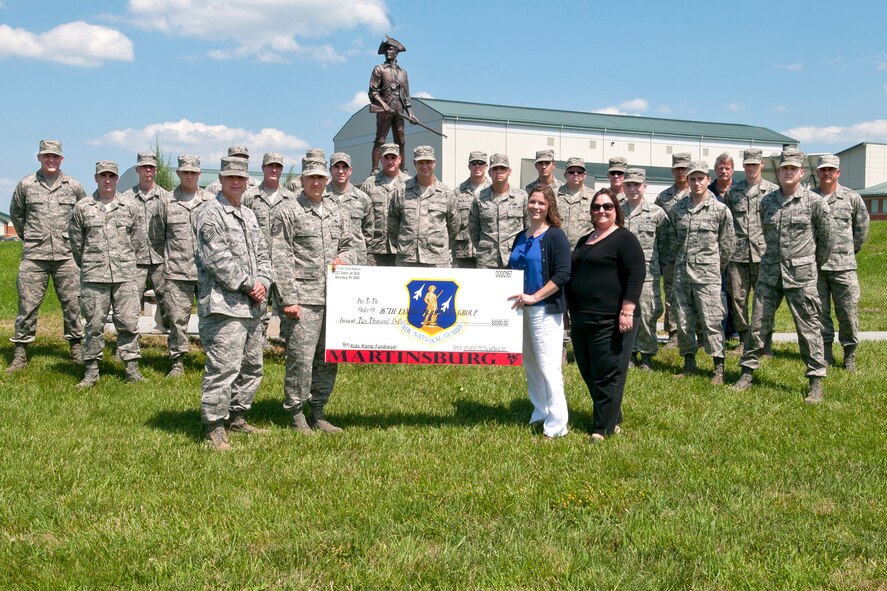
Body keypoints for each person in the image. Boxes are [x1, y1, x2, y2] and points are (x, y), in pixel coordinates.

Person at [733, 149, 833, 403]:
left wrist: (808, 264)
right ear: (778, 172)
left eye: (793, 168)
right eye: (784, 168)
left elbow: (826, 242)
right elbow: (765, 233)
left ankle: (815, 380)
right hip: (769, 273)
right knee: (758, 324)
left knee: (809, 327)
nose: (788, 172)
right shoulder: (767, 202)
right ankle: (746, 373)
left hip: (801, 275)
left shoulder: (814, 202)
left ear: (801, 172)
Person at [193, 156, 273, 451]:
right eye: (230, 178)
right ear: (221, 180)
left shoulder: (248, 215)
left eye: (240, 178)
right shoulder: (209, 214)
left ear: (247, 181)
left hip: (252, 306)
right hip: (224, 306)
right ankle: (214, 425)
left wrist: (264, 281)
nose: (236, 182)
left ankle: (237, 417)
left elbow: (263, 254)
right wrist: (250, 284)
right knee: (223, 368)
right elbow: (217, 260)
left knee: (252, 366)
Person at [273, 159, 354, 434]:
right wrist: (288, 299)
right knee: (301, 358)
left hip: (334, 298)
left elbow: (350, 245)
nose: (316, 182)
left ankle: (318, 411)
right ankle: (296, 413)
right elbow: (280, 257)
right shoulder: (288, 211)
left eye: (320, 178)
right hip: (303, 299)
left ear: (327, 180)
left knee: (328, 358)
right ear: (302, 180)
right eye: (311, 178)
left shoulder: (337, 211)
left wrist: (344, 258)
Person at [567, 188, 645, 442]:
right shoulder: (584, 240)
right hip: (582, 317)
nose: (601, 211)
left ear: (616, 210)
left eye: (607, 206)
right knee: (588, 370)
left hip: (612, 318)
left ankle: (602, 429)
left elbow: (636, 275)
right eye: (597, 207)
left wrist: (627, 310)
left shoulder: (625, 239)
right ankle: (613, 416)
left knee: (607, 372)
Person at [8, 139, 87, 372]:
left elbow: (83, 216)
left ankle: (76, 349)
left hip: (66, 255)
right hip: (35, 256)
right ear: (39, 158)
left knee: (73, 304)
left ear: (61, 159)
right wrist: (32, 238)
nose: (51, 160)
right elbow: (17, 215)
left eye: (55, 156)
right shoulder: (26, 185)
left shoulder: (73, 186)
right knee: (27, 305)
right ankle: (20, 354)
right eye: (46, 156)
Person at [68, 161, 146, 387]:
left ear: (117, 179)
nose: (108, 180)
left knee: (128, 324)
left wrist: (124, 260)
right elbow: (76, 243)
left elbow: (137, 239)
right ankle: (91, 371)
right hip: (94, 276)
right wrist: (92, 263)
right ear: (96, 178)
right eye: (103, 176)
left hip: (124, 276)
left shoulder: (129, 206)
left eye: (112, 176)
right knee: (93, 325)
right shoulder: (83, 207)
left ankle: (131, 369)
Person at [507, 184, 572, 440]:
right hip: (520, 310)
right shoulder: (520, 236)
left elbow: (563, 274)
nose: (536, 206)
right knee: (531, 365)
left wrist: (535, 297)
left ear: (549, 207)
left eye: (541, 203)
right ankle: (540, 412)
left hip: (545, 310)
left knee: (548, 367)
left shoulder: (555, 236)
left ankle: (557, 425)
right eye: (532, 201)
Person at [668, 161, 735, 384]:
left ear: (708, 180)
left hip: (708, 276)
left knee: (712, 320)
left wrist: (714, 266)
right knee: (684, 320)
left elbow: (727, 244)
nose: (696, 183)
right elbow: (673, 241)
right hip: (682, 274)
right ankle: (689, 363)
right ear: (687, 181)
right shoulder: (678, 210)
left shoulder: (720, 210)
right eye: (692, 179)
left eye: (700, 178)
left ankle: (718, 368)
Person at [155, 155, 211, 377]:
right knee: (177, 320)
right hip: (177, 272)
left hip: (206, 273)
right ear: (178, 173)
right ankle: (177, 362)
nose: (189, 176)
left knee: (210, 318)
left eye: (193, 172)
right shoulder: (166, 202)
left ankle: (213, 360)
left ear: (199, 174)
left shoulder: (210, 202)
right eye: (185, 172)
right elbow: (157, 237)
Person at [813, 154, 869, 371]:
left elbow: (861, 229)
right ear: (817, 172)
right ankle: (826, 353)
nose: (826, 173)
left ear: (838, 172)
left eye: (831, 170)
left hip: (843, 267)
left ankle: (849, 354)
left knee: (848, 312)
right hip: (817, 267)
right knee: (819, 313)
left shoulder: (852, 198)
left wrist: (848, 251)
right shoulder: (810, 198)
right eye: (823, 170)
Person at [724, 148, 778, 354]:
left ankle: (765, 342)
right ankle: (744, 340)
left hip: (764, 254)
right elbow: (727, 224)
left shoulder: (773, 191)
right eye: (748, 165)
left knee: (764, 301)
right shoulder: (733, 192)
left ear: (762, 164)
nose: (751, 168)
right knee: (738, 299)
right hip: (738, 256)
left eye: (754, 164)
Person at [242, 152, 299, 344]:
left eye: (277, 166)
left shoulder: (291, 198)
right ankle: (256, 347)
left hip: (284, 263)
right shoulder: (249, 197)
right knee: (257, 308)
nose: (274, 170)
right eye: (270, 166)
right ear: (263, 168)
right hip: (258, 264)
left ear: (281, 170)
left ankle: (288, 346)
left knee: (287, 307)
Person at [621, 168, 670, 371]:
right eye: (628, 185)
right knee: (624, 312)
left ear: (645, 186)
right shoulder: (616, 211)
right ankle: (629, 353)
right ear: (623, 187)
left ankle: (647, 355)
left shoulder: (657, 213)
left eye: (637, 185)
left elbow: (666, 244)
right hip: (621, 274)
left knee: (648, 313)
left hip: (648, 275)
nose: (633, 189)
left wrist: (659, 269)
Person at [122, 152, 171, 331]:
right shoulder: (126, 198)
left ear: (156, 170)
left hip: (161, 257)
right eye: (144, 167)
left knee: (168, 300)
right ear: (138, 170)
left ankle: (171, 337)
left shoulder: (167, 197)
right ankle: (128, 338)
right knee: (130, 301)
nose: (148, 170)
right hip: (135, 259)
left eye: (151, 167)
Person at [387, 145, 458, 267]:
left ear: (434, 163)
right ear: (414, 163)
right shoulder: (401, 191)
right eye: (420, 162)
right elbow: (392, 224)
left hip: (437, 259)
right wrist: (405, 245)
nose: (425, 166)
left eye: (428, 162)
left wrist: (441, 246)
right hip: (407, 259)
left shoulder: (446, 193)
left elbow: (454, 226)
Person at [655, 152, 692, 348]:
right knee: (671, 295)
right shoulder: (663, 197)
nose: (681, 172)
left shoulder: (698, 194)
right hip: (670, 255)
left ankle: (697, 333)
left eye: (684, 168)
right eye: (677, 169)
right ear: (672, 171)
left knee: (695, 294)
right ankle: (674, 334)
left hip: (693, 254)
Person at [468, 153, 527, 269]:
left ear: (509, 171)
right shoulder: (479, 198)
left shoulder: (521, 197)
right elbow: (473, 229)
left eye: (503, 168)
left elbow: (528, 227)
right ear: (489, 172)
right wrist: (484, 247)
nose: (499, 172)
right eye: (495, 169)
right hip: (487, 260)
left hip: (514, 257)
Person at [369, 36, 415, 173]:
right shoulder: (379, 69)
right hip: (384, 110)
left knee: (400, 140)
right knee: (380, 139)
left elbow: (406, 96)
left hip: (399, 111)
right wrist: (384, 105)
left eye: (391, 49)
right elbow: (373, 92)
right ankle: (375, 168)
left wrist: (411, 114)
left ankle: (402, 168)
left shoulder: (403, 73)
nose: (388, 52)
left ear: (396, 52)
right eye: (386, 50)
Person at [359, 143, 410, 266]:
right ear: (381, 160)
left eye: (393, 157)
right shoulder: (369, 184)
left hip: (402, 250)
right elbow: (360, 216)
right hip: (373, 251)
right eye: (386, 158)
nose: (390, 161)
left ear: (399, 159)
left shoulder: (410, 184)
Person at [327, 152, 373, 265]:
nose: (341, 171)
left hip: (356, 261)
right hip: (328, 260)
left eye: (344, 167)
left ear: (350, 170)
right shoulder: (321, 196)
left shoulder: (363, 199)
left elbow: (369, 232)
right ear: (330, 170)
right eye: (336, 167)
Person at [452, 151, 490, 268]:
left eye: (481, 163)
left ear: (486, 166)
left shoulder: (493, 191)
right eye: (473, 163)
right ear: (469, 166)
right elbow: (451, 222)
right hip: (462, 252)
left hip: (487, 253)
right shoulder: (457, 192)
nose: (477, 166)